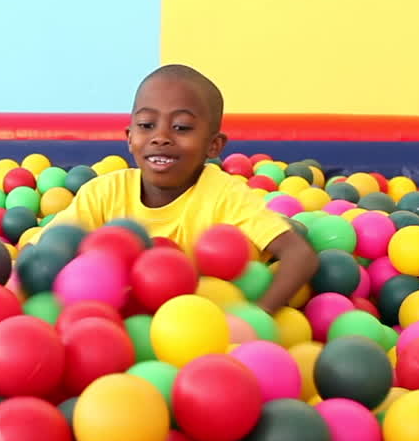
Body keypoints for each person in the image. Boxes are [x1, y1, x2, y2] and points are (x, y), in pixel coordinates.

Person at [47, 64, 319, 314]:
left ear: (214, 145)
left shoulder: (224, 194)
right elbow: (45, 252)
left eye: (181, 127)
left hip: (202, 324)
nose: (161, 137)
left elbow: (300, 255)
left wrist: (257, 316)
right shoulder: (103, 193)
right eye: (146, 125)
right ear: (129, 137)